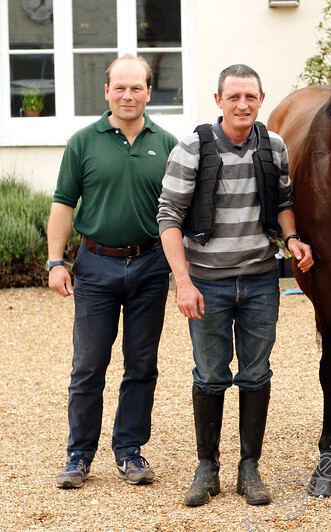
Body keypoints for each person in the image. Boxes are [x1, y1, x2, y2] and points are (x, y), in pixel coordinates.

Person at [157, 64, 313, 507]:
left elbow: (284, 202)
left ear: (261, 99)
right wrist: (183, 283)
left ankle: (249, 467)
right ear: (218, 101)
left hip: (262, 281)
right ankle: (207, 468)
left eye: (250, 97)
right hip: (207, 283)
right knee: (209, 376)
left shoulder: (274, 145)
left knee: (256, 373)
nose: (242, 105)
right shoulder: (193, 147)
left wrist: (292, 238)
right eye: (234, 97)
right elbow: (168, 216)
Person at [48, 55, 179, 489]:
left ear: (148, 91)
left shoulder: (168, 143)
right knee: (88, 367)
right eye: (119, 87)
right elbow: (63, 204)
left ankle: (129, 451)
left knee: (141, 365)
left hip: (149, 264)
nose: (127, 95)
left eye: (136, 87)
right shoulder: (83, 141)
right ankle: (79, 455)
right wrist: (54, 261)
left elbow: (181, 211)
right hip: (95, 265)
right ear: (106, 92)